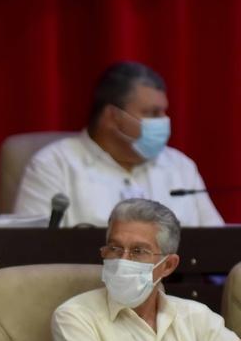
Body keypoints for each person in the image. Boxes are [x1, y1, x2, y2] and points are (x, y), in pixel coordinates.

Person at [52, 198, 241, 341]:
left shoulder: (197, 316)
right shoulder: (73, 315)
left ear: (168, 265)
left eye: (138, 251)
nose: (122, 260)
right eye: (115, 248)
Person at [13, 62, 223, 227]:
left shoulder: (180, 167)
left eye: (164, 111)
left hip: (179, 281)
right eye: (151, 113)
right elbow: (32, 253)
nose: (164, 120)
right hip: (85, 281)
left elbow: (219, 247)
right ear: (113, 116)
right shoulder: (54, 165)